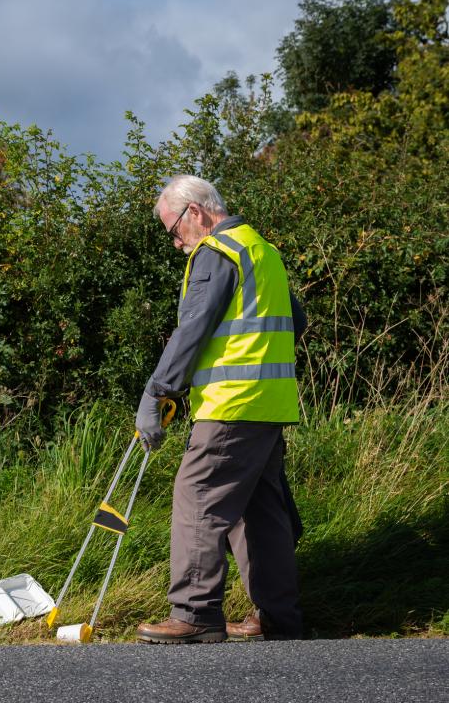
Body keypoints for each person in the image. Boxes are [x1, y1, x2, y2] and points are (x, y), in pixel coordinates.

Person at [133, 174, 305, 644]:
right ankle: (278, 616)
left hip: (230, 406)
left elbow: (193, 330)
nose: (176, 242)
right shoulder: (262, 250)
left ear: (195, 213)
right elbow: (296, 320)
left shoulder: (216, 252)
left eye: (173, 230)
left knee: (198, 497)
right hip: (269, 404)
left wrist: (157, 393)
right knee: (259, 508)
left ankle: (193, 614)